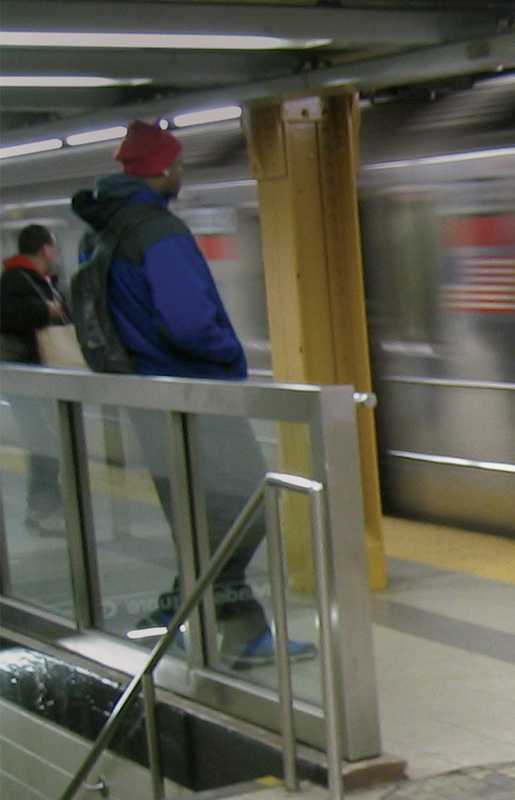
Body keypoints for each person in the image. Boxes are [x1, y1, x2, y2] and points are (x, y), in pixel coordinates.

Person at [69, 121, 313, 668]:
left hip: (145, 395)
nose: (181, 173)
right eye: (177, 164)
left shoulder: (100, 230)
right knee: (248, 507)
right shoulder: (158, 231)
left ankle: (239, 632)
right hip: (191, 393)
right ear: (161, 169)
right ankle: (169, 617)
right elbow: (189, 322)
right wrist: (229, 354)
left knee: (199, 517)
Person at [2, 224, 69, 535]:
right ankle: (43, 511)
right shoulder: (16, 278)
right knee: (44, 442)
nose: (55, 254)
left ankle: (44, 508)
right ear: (44, 249)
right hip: (24, 374)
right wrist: (46, 310)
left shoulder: (38, 279)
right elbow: (7, 314)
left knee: (46, 441)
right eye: (53, 248)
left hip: (40, 373)